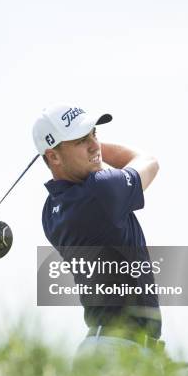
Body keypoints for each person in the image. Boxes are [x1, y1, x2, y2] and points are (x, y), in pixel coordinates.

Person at [33, 103, 163, 360]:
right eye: (81, 140)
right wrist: (96, 154)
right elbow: (149, 161)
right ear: (54, 157)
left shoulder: (51, 210)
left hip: (106, 346)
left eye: (95, 134)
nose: (95, 146)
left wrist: (79, 147)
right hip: (120, 351)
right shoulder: (101, 191)